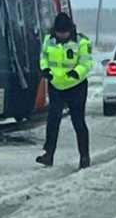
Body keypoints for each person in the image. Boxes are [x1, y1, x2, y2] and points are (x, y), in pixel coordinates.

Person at [36, 12, 93, 169]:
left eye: (64, 32)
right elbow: (43, 57)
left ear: (70, 30)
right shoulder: (49, 39)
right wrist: (45, 69)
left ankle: (84, 157)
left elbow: (87, 63)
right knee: (53, 120)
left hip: (76, 86)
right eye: (59, 32)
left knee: (78, 121)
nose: (62, 35)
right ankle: (48, 155)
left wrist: (77, 72)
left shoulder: (82, 42)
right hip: (56, 85)